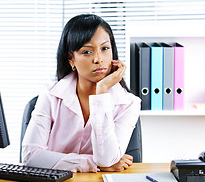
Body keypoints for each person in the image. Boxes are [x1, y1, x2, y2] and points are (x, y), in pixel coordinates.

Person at [22, 14, 141, 172]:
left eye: (105, 48)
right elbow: (31, 156)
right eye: (87, 52)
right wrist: (92, 163)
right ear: (71, 59)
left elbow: (106, 158)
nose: (98, 59)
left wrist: (102, 91)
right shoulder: (51, 95)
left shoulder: (129, 104)